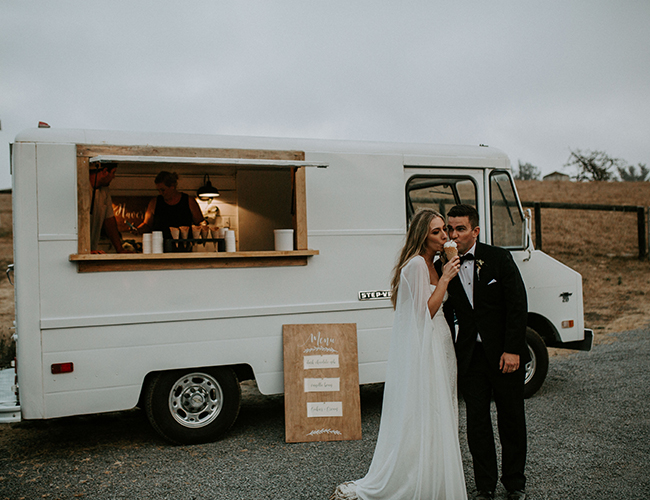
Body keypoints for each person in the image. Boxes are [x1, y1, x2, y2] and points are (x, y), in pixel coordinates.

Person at [331, 208, 466, 500]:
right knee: (426, 409)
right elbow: (423, 313)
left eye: (444, 229)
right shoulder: (417, 265)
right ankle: (415, 478)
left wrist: (444, 272)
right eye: (436, 231)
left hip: (441, 340)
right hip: (426, 342)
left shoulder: (434, 260)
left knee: (441, 408)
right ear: (421, 235)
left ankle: (436, 473)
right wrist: (444, 279)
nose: (444, 235)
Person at [441, 204, 529, 500]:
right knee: (477, 423)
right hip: (470, 357)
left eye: (460, 229)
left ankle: (515, 483)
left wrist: (513, 350)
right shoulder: (445, 265)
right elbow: (446, 310)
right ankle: (485, 486)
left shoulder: (499, 258)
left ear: (475, 231)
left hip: (505, 356)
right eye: (450, 229)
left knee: (511, 419)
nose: (453, 235)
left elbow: (517, 306)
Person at [134, 171, 205, 240]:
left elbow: (200, 223)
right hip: (159, 247)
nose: (160, 193)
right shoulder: (155, 202)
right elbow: (147, 224)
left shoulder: (189, 201)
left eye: (163, 190)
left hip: (184, 247)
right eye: (158, 190)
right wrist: (138, 229)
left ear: (172, 186)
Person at [89, 162, 128, 253]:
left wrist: (120, 249)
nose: (114, 177)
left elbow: (109, 220)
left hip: (92, 248)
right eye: (113, 172)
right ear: (105, 171)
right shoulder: (81, 187)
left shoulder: (104, 191)